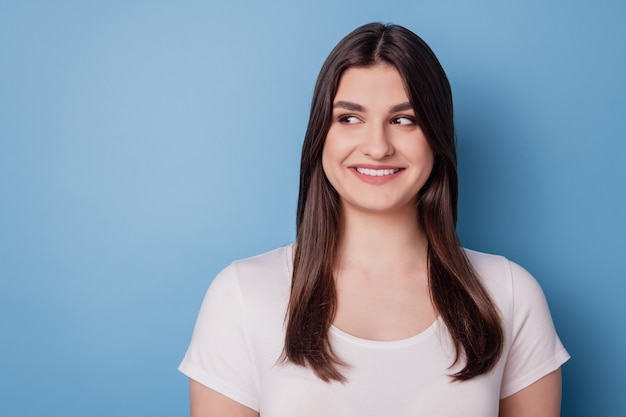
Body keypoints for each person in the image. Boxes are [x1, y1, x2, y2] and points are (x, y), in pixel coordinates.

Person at [179, 22, 570, 416]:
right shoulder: (242, 296)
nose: (377, 147)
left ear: (437, 137)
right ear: (321, 136)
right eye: (349, 118)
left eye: (404, 120)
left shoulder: (509, 294)